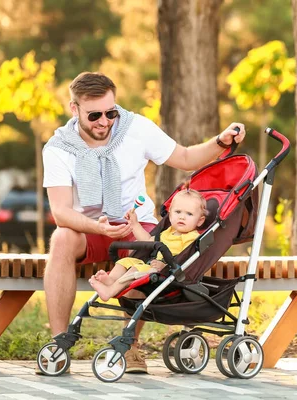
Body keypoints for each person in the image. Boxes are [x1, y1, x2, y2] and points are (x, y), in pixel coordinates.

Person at [42, 71, 245, 373]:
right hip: (90, 228)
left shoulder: (135, 128)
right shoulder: (58, 148)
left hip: (136, 224)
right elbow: (60, 212)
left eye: (110, 112)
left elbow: (187, 157)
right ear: (74, 109)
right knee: (60, 237)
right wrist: (99, 227)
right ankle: (58, 343)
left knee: (150, 250)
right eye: (94, 114)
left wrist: (221, 141)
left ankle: (131, 347)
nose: (104, 121)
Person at [88, 188, 208, 301]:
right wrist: (134, 224)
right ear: (170, 214)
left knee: (136, 268)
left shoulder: (192, 238)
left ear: (200, 220)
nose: (182, 216)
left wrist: (165, 266)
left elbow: (187, 260)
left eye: (189, 214)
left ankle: (110, 291)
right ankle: (111, 280)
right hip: (151, 267)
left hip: (167, 273)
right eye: (178, 212)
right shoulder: (167, 232)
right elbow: (148, 241)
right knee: (126, 261)